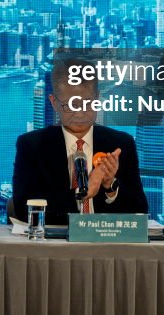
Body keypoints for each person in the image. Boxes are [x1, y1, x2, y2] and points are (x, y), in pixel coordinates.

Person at [12, 57, 147, 225]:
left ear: (97, 98)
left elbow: (140, 211)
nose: (80, 113)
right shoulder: (32, 146)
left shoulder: (120, 144)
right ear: (54, 103)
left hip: (107, 246)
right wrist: (82, 192)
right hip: (55, 247)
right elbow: (23, 210)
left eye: (87, 103)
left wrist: (110, 186)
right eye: (71, 105)